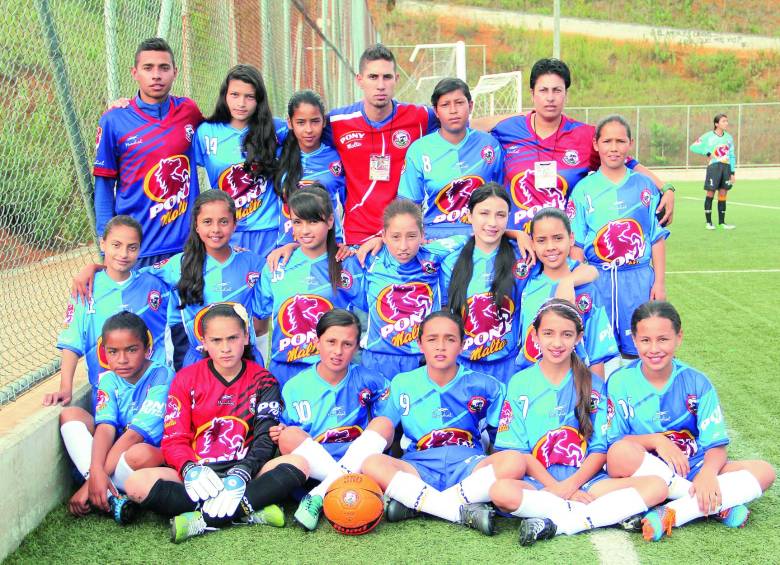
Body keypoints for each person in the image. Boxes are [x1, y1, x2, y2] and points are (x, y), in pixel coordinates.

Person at [123, 304, 310, 543]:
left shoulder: (263, 380)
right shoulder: (186, 379)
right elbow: (173, 439)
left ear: (245, 337)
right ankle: (247, 513)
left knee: (300, 464)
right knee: (135, 484)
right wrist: (190, 469)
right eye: (216, 340)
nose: (225, 348)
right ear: (204, 342)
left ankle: (201, 520)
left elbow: (264, 439)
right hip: (200, 472)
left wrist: (243, 472)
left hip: (247, 472)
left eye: (232, 338)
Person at [490, 299, 668, 546]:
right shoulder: (519, 383)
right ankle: (601, 514)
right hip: (539, 482)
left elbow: (600, 448)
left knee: (657, 486)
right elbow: (517, 452)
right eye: (548, 333)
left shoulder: (593, 384)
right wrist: (558, 488)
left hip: (588, 481)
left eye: (566, 334)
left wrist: (572, 485)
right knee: (500, 492)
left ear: (578, 338)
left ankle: (560, 522)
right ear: (536, 336)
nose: (557, 342)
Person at [605, 301, 775, 541]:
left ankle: (675, 511)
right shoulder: (619, 381)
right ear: (634, 340)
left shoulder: (697, 382)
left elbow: (715, 444)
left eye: (663, 339)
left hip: (691, 465)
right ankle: (714, 503)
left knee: (765, 471)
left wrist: (707, 473)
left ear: (678, 337)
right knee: (619, 453)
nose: (654, 348)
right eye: (645, 340)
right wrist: (656, 441)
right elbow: (615, 441)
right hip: (645, 471)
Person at [361, 310, 526, 536]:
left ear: (462, 344)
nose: (441, 346)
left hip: (468, 464)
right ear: (420, 344)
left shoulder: (487, 385)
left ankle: (418, 505)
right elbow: (386, 429)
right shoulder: (403, 383)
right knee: (371, 463)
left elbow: (500, 440)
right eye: (432, 339)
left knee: (515, 461)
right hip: (418, 465)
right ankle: (459, 511)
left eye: (450, 339)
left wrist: (497, 468)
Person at [488, 58, 675, 232]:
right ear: (532, 94)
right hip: (519, 247)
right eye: (543, 90)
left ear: (566, 94)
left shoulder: (585, 136)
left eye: (557, 90)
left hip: (564, 247)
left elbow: (627, 162)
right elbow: (467, 126)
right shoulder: (508, 130)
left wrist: (665, 187)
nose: (550, 97)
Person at [270, 309, 394, 530]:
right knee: (288, 436)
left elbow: (387, 430)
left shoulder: (371, 380)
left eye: (347, 344)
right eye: (331, 342)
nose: (338, 351)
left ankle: (318, 496)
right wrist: (278, 431)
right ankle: (338, 485)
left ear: (356, 347)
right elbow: (287, 438)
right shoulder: (295, 387)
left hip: (362, 464)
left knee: (384, 423)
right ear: (317, 342)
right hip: (315, 467)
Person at [93, 37, 203, 266]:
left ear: (175, 71)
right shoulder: (114, 120)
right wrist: (107, 249)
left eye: (164, 68)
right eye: (148, 68)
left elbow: (222, 136)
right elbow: (103, 186)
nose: (156, 75)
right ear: (135, 72)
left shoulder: (188, 111)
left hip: (187, 248)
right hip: (137, 250)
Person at [569, 115, 669, 359]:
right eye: (607, 141)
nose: (614, 148)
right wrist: (578, 283)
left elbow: (656, 238)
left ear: (630, 144)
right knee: (598, 355)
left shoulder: (644, 185)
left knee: (641, 349)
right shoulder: (583, 190)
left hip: (638, 280)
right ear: (596, 144)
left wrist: (659, 282)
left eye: (620, 141)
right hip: (598, 279)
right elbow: (577, 244)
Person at [59, 312, 174, 523]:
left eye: (131, 350)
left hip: (145, 458)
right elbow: (105, 428)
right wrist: (95, 471)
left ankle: (98, 490)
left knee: (140, 453)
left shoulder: (162, 375)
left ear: (147, 347)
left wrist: (88, 484)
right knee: (70, 414)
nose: (122, 359)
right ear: (104, 352)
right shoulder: (109, 379)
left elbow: (134, 436)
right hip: (115, 456)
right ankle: (111, 496)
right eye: (113, 351)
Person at [50, 215, 169, 409]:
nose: (123, 253)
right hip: (107, 395)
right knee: (71, 419)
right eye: (116, 245)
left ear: (140, 249)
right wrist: (65, 387)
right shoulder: (86, 288)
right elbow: (72, 341)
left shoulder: (155, 284)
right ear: (102, 244)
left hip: (152, 391)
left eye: (132, 247)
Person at [326, 43, 438, 244]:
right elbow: (300, 129)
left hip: (402, 238)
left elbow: (459, 121)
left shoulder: (420, 117)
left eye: (387, 77)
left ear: (396, 79)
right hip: (356, 237)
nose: (380, 85)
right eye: (373, 77)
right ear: (359, 80)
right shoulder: (337, 122)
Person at [257, 186, 364, 385]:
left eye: (313, 221)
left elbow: (371, 311)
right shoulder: (276, 264)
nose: (305, 230)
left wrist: (377, 242)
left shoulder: (347, 263)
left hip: (332, 372)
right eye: (298, 222)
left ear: (330, 221)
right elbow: (259, 319)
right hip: (284, 369)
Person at [357, 199, 466, 381]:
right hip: (378, 358)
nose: (403, 246)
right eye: (395, 237)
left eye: (412, 236)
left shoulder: (433, 255)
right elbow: (328, 251)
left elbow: (474, 234)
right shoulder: (368, 260)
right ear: (383, 235)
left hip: (422, 359)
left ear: (423, 235)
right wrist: (292, 245)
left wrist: (516, 235)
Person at [441, 183, 531, 383]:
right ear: (470, 215)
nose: (492, 222)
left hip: (509, 366)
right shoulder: (450, 261)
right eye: (484, 213)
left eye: (500, 215)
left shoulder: (523, 257)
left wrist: (518, 234)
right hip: (463, 366)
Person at [194, 64, 284, 256]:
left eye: (249, 96)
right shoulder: (206, 132)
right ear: (224, 95)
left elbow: (312, 128)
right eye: (235, 95)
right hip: (226, 232)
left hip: (269, 231)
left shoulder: (276, 129)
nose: (241, 103)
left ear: (259, 100)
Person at [398, 77, 504, 239]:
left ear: (470, 106)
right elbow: (409, 205)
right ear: (436, 111)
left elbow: (502, 194)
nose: (453, 110)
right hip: (435, 236)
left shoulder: (489, 145)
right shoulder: (419, 150)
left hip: (481, 236)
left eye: (459, 103)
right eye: (445, 105)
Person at [517, 208, 618, 376]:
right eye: (541, 240)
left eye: (558, 238)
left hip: (574, 386)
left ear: (571, 238)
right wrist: (516, 234)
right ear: (532, 243)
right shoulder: (527, 279)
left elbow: (596, 353)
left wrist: (595, 398)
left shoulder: (586, 288)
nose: (550, 247)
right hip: (533, 386)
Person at [275, 90, 345, 246]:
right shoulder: (278, 156)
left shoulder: (337, 157)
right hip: (287, 247)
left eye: (315, 121)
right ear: (289, 122)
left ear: (324, 122)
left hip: (329, 247)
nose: (308, 129)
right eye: (301, 122)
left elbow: (350, 202)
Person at [690, 113, 736, 230]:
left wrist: (732, 172)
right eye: (723, 121)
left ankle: (722, 223)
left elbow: (731, 155)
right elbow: (693, 147)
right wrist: (707, 152)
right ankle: (709, 222)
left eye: (727, 121)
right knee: (710, 193)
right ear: (716, 124)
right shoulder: (708, 136)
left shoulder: (729, 138)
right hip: (714, 167)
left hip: (726, 168)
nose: (726, 123)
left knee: (723, 193)